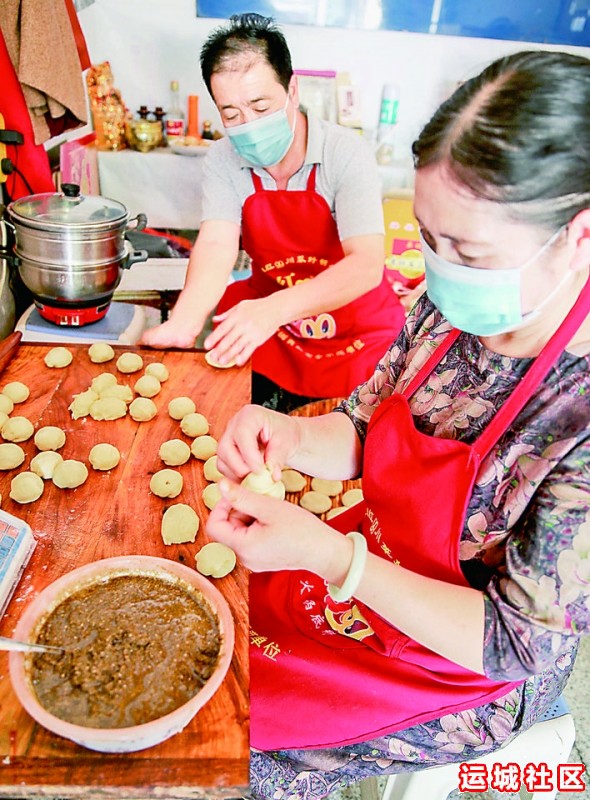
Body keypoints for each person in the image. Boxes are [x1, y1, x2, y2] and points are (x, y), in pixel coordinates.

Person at [205, 49, 590, 799]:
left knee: (235, 752)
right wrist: (290, 438)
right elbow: (361, 426)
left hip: (464, 668)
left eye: (469, 252)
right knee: (212, 649)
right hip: (368, 567)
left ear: (579, 234)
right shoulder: (445, 309)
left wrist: (337, 561)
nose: (440, 271)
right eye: (428, 237)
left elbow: (518, 644)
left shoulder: (576, 416)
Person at [141, 13, 405, 412]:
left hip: (354, 330)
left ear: (292, 89)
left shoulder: (343, 154)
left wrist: (273, 310)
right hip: (272, 330)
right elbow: (216, 243)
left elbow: (366, 265)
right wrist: (185, 322)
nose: (247, 125)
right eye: (231, 115)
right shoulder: (223, 159)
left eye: (260, 106)